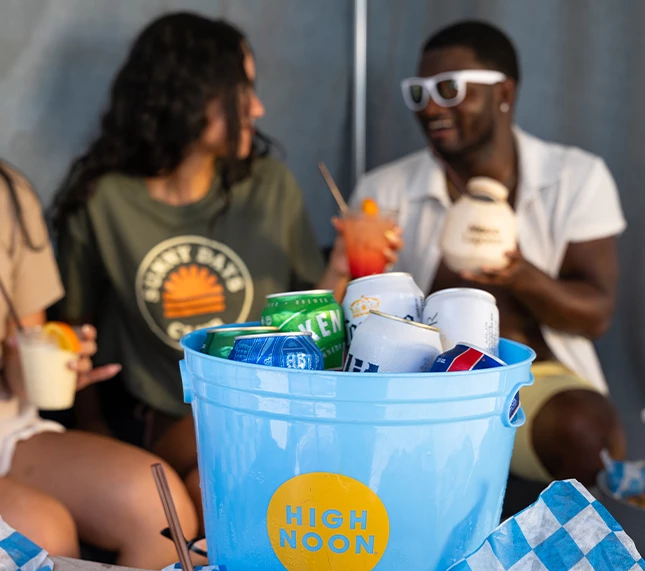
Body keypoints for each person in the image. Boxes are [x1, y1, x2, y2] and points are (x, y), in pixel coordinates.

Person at [52, 12, 368, 519]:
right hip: (159, 419)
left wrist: (341, 265)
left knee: (211, 488)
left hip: (267, 411)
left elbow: (306, 322)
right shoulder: (104, 201)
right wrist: (94, 431)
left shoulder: (269, 187)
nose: (258, 108)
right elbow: (73, 328)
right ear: (186, 95)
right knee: (217, 481)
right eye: (241, 90)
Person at [350, 20, 626, 486]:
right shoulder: (384, 191)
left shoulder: (575, 177)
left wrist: (520, 277)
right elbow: (361, 314)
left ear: (504, 93)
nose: (431, 106)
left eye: (450, 89)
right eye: (419, 93)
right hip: (420, 386)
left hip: (534, 379)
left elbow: (595, 315)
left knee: (585, 430)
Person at [0, 162, 197, 566]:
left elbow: (21, 357)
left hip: (8, 431)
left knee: (160, 508)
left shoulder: (7, 193)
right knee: (42, 536)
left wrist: (50, 366)